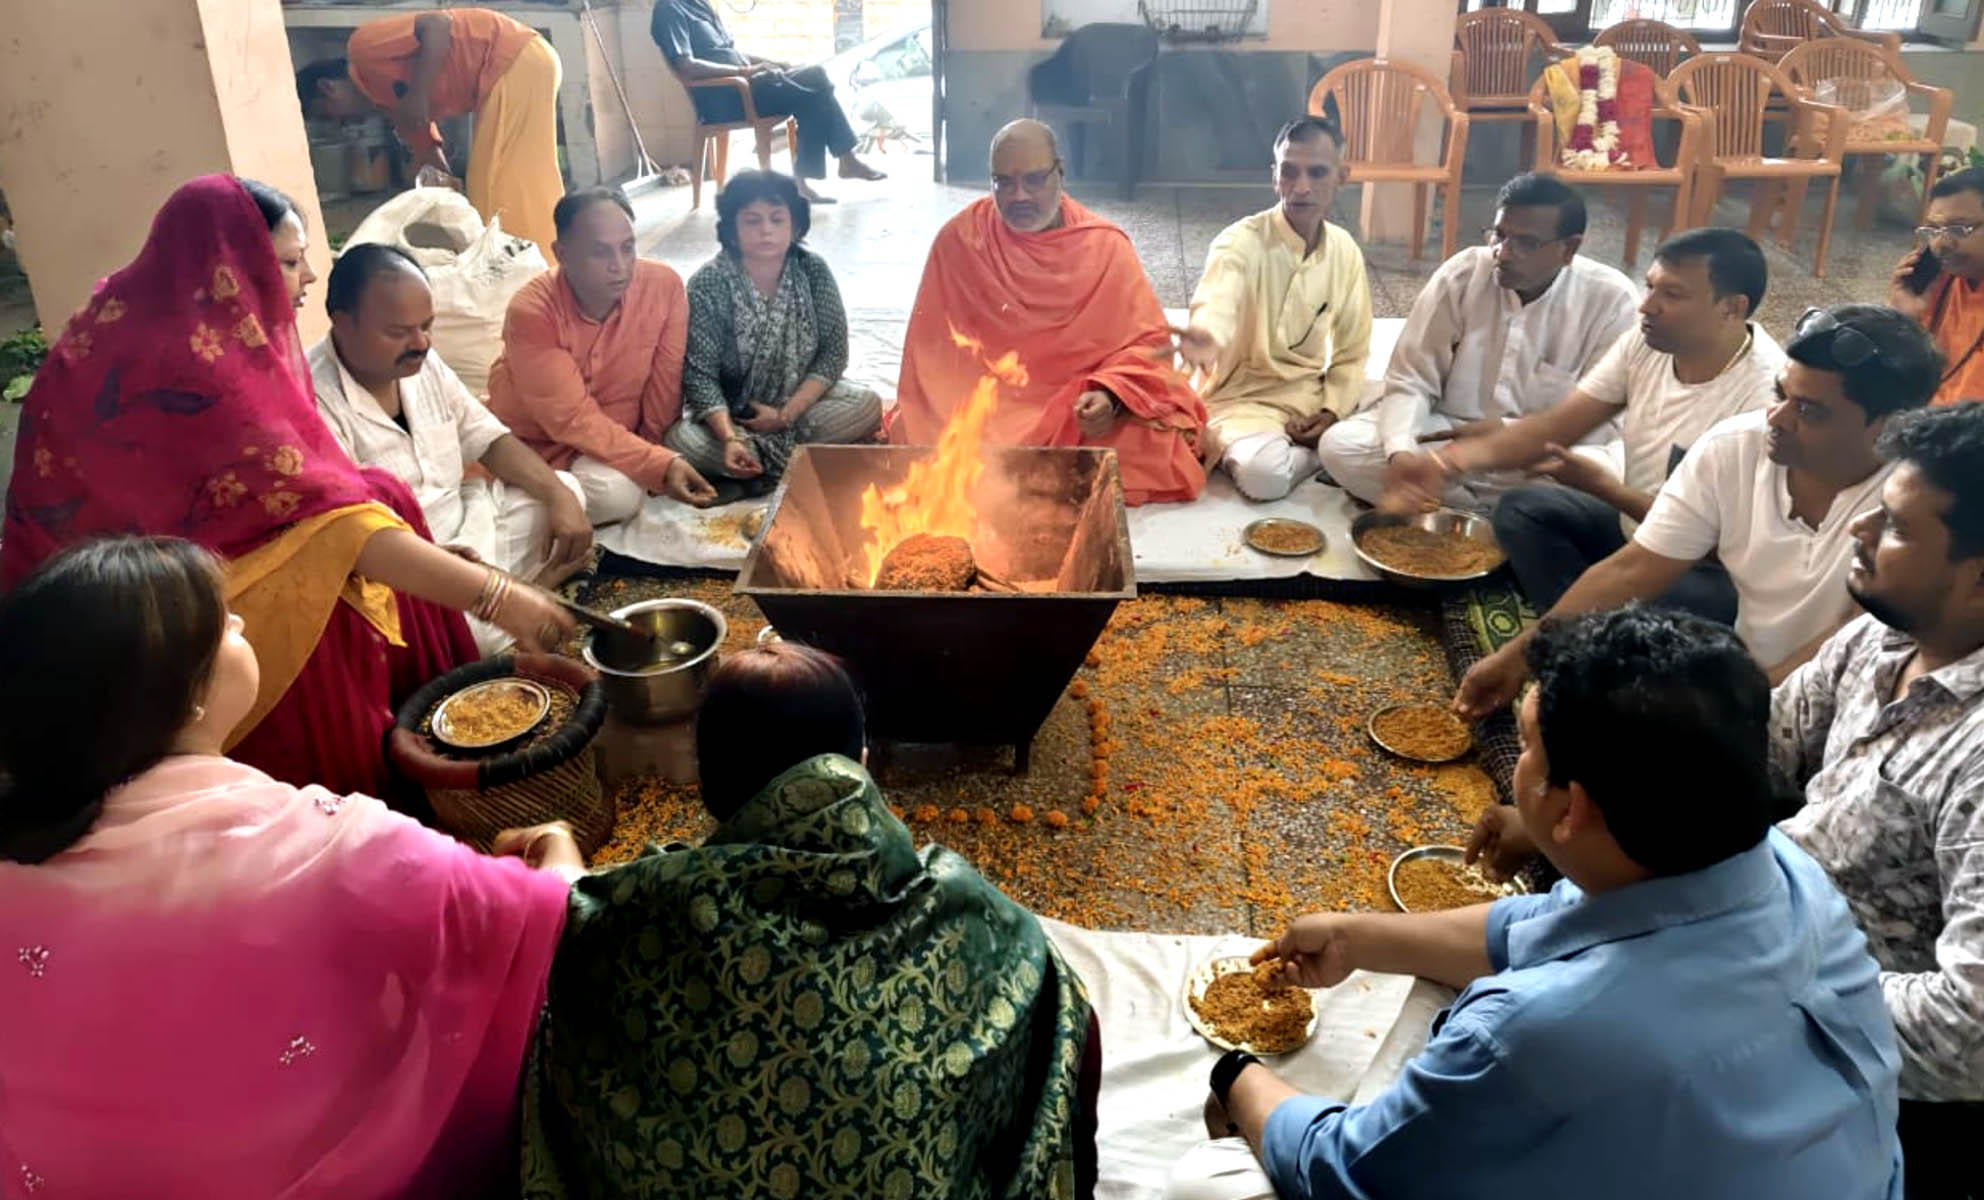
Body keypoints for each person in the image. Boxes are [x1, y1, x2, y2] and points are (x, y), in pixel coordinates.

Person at [1166, 607, 1902, 1200]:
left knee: (1210, 1181)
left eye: (1523, 749)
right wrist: (1357, 939)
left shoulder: (1532, 1032)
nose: (1515, 768)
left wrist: (1238, 1077)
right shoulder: (1784, 871)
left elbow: (1345, 1169)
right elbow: (1545, 923)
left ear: (1570, 808)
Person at [1474, 405, 1984, 1199]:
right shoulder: (1880, 640)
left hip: (1849, 1073)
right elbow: (1746, 760)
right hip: (1751, 933)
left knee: (1532, 1102)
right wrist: (1565, 810)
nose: (1861, 530)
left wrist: (1741, 975)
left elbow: (1966, 1035)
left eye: (1895, 527)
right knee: (1537, 981)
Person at [0, 536, 584, 1197]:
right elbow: (559, 920)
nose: (241, 621)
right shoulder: (321, 847)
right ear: (183, 696)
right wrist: (554, 846)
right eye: (223, 624)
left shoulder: (20, 850)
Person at [0, 176, 572, 799]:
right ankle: (357, 786)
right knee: (354, 556)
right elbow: (329, 524)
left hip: (146, 581)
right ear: (227, 270)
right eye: (291, 262)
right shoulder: (194, 364)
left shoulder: (143, 323)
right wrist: (498, 597)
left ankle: (424, 719)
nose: (306, 280)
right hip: (120, 629)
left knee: (384, 501)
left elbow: (319, 500)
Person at [519, 642, 1102, 1197]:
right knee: (1065, 1012)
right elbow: (1061, 1014)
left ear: (706, 784)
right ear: (861, 765)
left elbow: (566, 911)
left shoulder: (638, 908)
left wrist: (552, 839)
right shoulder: (957, 909)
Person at [1452, 304, 1944, 722]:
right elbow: (1633, 568)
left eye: (1810, 411)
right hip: (1751, 677)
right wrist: (1518, 657)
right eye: (1781, 395)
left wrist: (1733, 715)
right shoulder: (1737, 445)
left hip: (1841, 710)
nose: (1777, 419)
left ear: (1889, 427)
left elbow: (1847, 645)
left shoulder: (1913, 507)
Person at [1386, 228, 1784, 621]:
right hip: (1636, 531)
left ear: (1731, 308)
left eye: (1672, 295)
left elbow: (1720, 546)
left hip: (1707, 568)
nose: (1646, 306)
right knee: (1522, 510)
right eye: (1650, 287)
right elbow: (1552, 429)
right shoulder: (1647, 344)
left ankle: (1589, 625)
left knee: (1666, 603)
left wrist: (1605, 489)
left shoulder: (1765, 399)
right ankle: (1588, 624)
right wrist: (1442, 464)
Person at [889, 119, 1207, 506]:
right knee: (923, 435)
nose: (1019, 196)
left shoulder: (1103, 246)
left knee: (1158, 443)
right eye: (1003, 182)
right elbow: (930, 356)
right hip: (990, 410)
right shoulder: (960, 240)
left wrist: (1110, 395)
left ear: (1061, 173)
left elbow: (1148, 347)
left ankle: (1022, 473)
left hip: (1073, 413)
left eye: (1034, 180)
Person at [308, 243, 593, 652]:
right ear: (343, 323)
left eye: (427, 326)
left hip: (470, 521)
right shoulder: (312, 399)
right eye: (398, 332)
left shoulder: (422, 360)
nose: (421, 343)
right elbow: (359, 541)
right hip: (407, 566)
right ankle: (529, 593)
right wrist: (473, 583)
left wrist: (557, 495)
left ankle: (516, 597)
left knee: (568, 492)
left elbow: (487, 438)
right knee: (472, 634)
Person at [1317, 173, 1638, 509]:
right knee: (1342, 446)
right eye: (1499, 234)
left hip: (1543, 450)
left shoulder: (1612, 300)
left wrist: (1507, 432)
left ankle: (1457, 508)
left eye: (1526, 242)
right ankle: (1492, 514)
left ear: (1568, 248)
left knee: (1606, 473)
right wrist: (1402, 455)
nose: (1504, 253)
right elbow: (1410, 379)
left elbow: (1605, 424)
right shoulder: (1463, 274)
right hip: (1450, 435)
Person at [485, 187, 718, 525]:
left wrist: (656, 455)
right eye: (600, 252)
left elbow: (664, 387)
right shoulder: (533, 311)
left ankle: (551, 504)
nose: (619, 266)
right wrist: (657, 464)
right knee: (613, 495)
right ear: (561, 254)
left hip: (614, 441)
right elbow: (570, 418)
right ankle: (538, 498)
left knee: (622, 490)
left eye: (627, 248)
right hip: (535, 441)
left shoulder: (663, 287)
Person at [1177, 117, 1372, 502]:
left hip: (1308, 398)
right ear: (1274, 177)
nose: (1301, 187)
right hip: (1241, 400)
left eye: (1317, 173)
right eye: (1289, 172)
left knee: (1398, 411)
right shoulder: (1239, 243)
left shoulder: (1345, 250)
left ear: (1341, 177)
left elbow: (1353, 351)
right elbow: (1216, 302)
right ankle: (1319, 456)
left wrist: (1331, 411)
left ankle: (1321, 444)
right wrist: (1205, 337)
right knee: (1263, 475)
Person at [666, 170, 883, 490]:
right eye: (752, 221)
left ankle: (755, 470)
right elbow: (700, 375)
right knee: (680, 440)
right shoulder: (708, 283)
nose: (766, 230)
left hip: (801, 405)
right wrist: (729, 438)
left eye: (777, 219)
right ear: (732, 229)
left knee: (867, 404)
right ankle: (780, 459)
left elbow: (834, 353)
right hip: (736, 417)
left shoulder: (812, 270)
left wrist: (784, 416)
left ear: (795, 226)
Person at [296, 8, 564, 254]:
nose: (343, 125)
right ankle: (542, 253)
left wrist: (418, 93)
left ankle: (528, 262)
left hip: (512, 58)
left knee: (497, 184)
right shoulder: (393, 109)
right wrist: (447, 202)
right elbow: (430, 157)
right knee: (520, 179)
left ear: (327, 87)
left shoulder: (363, 48)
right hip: (518, 66)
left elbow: (437, 24)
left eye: (328, 115)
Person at [651, 0, 885, 204]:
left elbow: (732, 53)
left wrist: (772, 62)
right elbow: (687, 67)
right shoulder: (669, 8)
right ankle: (838, 163)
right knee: (816, 79)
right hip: (728, 97)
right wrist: (745, 72)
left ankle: (821, 175)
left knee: (814, 89)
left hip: (748, 84)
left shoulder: (699, 4)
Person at [1891, 166, 1984, 408]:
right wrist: (1904, 318)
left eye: (1958, 229)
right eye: (1933, 230)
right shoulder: (1937, 279)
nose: (1941, 244)